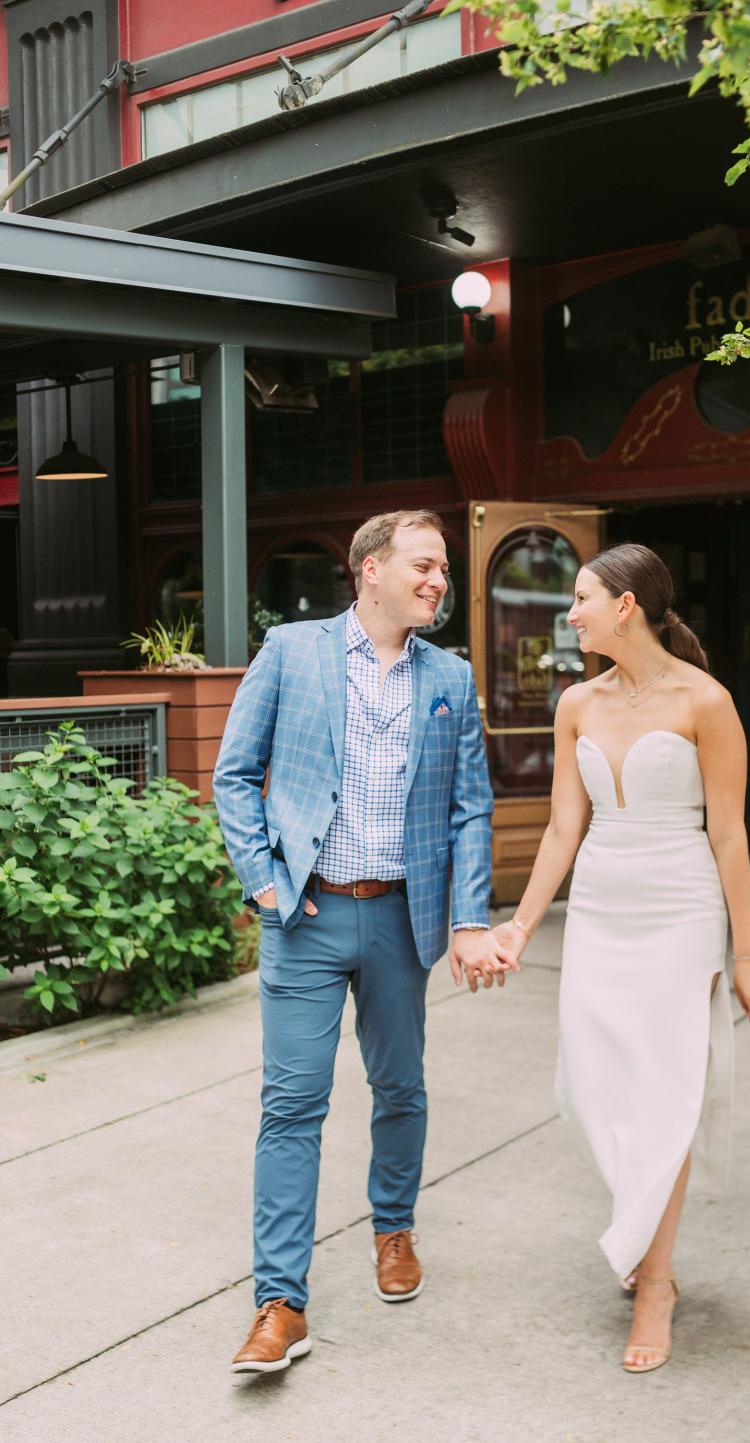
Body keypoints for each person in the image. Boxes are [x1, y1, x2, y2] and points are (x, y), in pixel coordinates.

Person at [213, 509, 513, 1374]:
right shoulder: (292, 650)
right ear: (370, 569)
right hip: (303, 914)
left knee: (400, 1085)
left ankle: (394, 1230)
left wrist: (465, 916)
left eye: (444, 570)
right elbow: (234, 771)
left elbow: (469, 805)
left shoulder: (450, 676)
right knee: (292, 1102)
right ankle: (280, 1302)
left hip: (398, 918)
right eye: (425, 565)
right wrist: (264, 879)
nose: (439, 581)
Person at [493, 542, 750, 1374]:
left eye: (579, 598)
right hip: (603, 910)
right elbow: (561, 830)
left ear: (625, 606)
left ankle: (656, 1280)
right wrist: (519, 924)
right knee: (589, 1084)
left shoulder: (708, 701)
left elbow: (728, 832)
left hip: (681, 910)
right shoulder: (576, 701)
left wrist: (749, 952)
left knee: (667, 1087)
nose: (568, 613)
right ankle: (643, 1229)